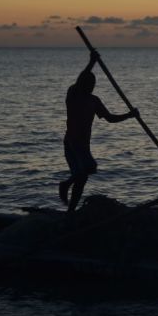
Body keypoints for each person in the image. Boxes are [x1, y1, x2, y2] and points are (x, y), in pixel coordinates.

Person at [58, 50, 139, 213]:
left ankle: (71, 211)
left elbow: (110, 118)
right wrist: (92, 62)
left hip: (83, 144)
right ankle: (65, 185)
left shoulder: (94, 101)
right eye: (88, 83)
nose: (91, 86)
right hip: (72, 141)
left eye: (93, 84)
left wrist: (129, 115)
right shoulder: (73, 95)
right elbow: (82, 77)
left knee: (82, 178)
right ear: (83, 84)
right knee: (89, 168)